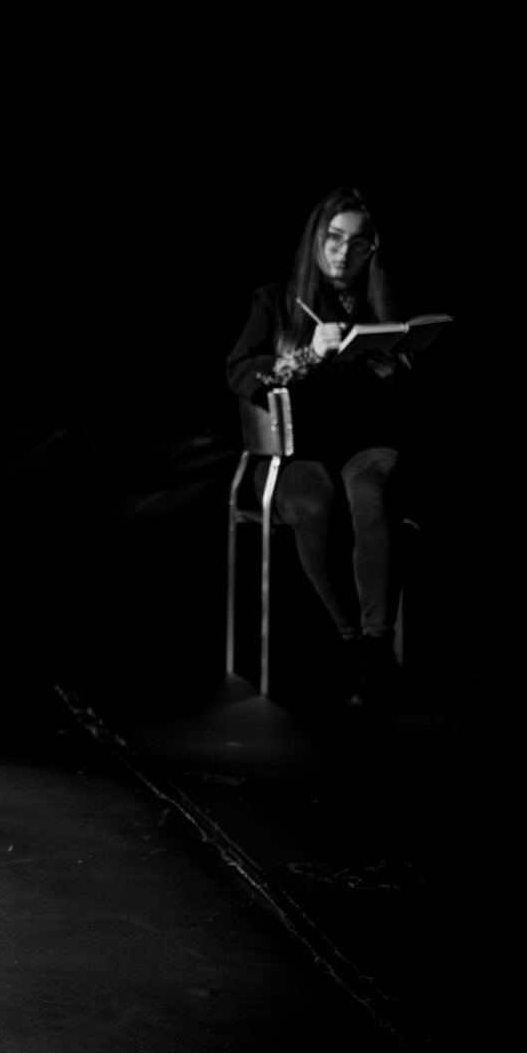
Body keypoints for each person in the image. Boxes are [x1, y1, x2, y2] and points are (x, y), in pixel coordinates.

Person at [226, 186, 414, 705]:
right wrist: (308, 356)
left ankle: (376, 645)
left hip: (363, 445)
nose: (343, 252)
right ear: (316, 239)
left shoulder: (382, 304)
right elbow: (240, 373)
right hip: (294, 451)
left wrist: (396, 367)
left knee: (373, 489)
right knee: (313, 500)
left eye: (358, 243)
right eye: (333, 238)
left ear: (372, 249)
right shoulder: (276, 300)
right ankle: (354, 641)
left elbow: (406, 404)